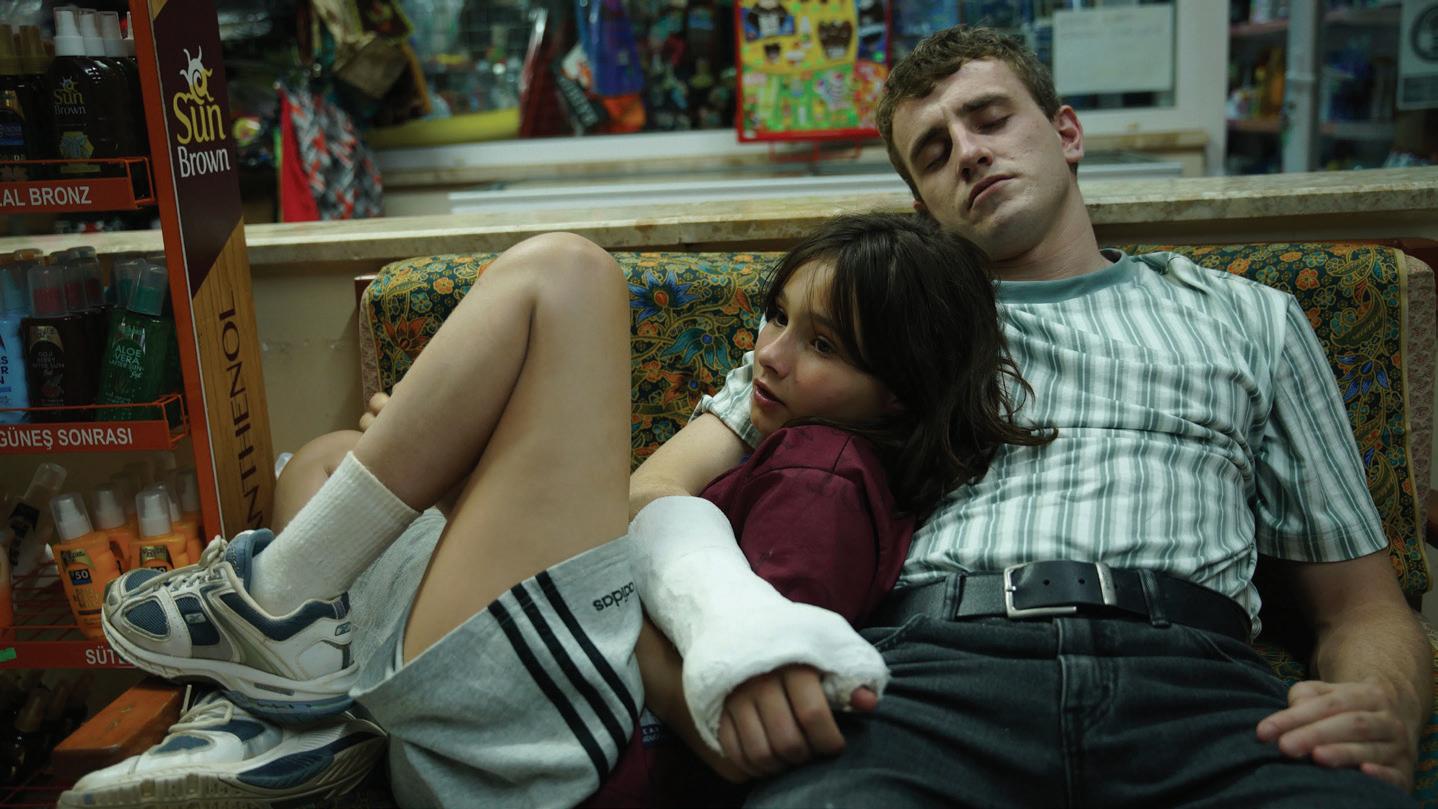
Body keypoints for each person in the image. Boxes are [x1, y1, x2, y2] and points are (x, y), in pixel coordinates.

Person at [625, 25, 1432, 807]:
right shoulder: (871, 324)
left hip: (1196, 685)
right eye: (934, 152)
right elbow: (652, 491)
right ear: (922, 207)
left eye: (990, 118)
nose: (969, 152)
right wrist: (725, 639)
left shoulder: (1251, 317)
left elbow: (1362, 606)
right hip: (931, 680)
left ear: (1066, 133)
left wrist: (1381, 704)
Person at [63, 213, 1042, 808]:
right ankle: (298, 690)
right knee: (327, 463)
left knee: (567, 274)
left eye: (821, 344)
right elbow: (634, 510)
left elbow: (722, 696)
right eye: (776, 315)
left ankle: (278, 612)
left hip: (563, 751)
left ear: (898, 392)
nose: (770, 354)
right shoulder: (785, 431)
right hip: (543, 700)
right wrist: (466, 479)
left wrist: (472, 489)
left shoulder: (825, 477)